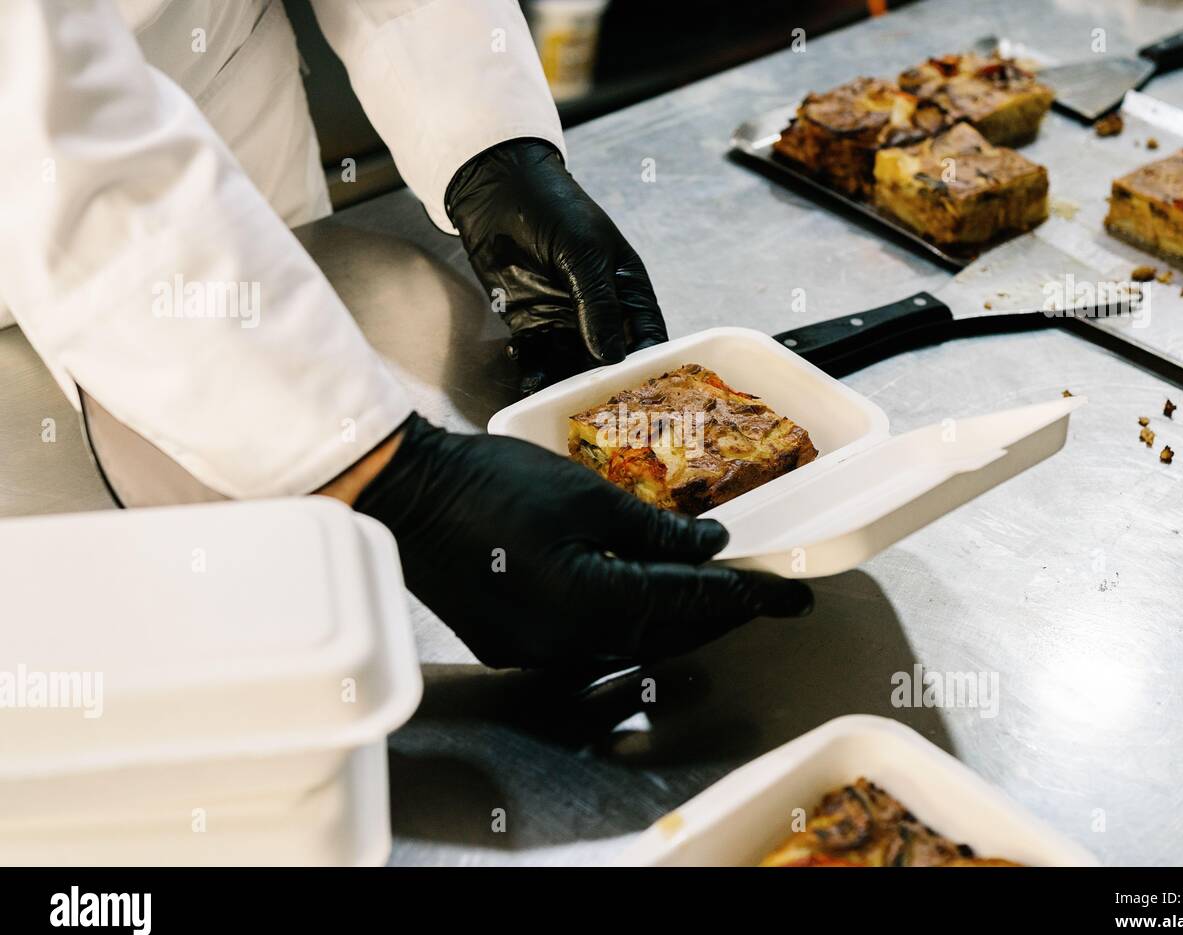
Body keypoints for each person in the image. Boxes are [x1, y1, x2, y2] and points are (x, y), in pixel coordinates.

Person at [0, 0, 813, 668]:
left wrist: (485, 145)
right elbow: (33, 102)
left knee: (305, 604)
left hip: (219, 99)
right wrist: (394, 477)